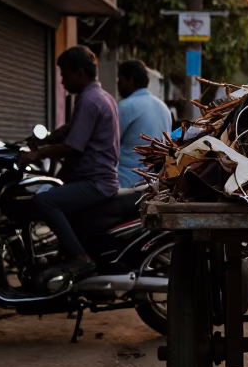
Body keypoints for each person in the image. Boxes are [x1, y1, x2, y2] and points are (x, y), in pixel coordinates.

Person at [20, 46, 120, 279]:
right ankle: (61, 254)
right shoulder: (100, 97)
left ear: (79, 73)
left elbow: (73, 145)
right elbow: (71, 130)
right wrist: (45, 138)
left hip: (95, 181)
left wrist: (37, 154)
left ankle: (80, 258)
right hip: (93, 176)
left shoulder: (89, 100)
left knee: (44, 201)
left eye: (65, 74)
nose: (63, 81)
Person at [117, 59, 172, 188]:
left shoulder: (125, 106)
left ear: (130, 80)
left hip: (125, 182)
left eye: (120, 80)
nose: (118, 85)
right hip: (155, 181)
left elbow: (108, 145)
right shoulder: (163, 107)